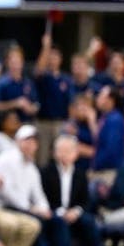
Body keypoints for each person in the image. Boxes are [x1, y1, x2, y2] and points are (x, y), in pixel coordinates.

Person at [0, 126, 75, 246]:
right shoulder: (6, 160)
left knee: (57, 222)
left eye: (34, 141)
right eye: (27, 140)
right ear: (18, 141)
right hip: (6, 207)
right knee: (36, 222)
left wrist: (44, 209)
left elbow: (39, 194)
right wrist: (31, 208)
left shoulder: (31, 167)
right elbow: (6, 192)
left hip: (27, 208)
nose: (30, 145)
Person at [42, 133, 105, 246]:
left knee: (89, 222)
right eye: (60, 150)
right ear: (54, 153)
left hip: (75, 212)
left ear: (76, 154)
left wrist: (76, 211)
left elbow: (86, 201)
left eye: (68, 151)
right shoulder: (46, 172)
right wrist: (61, 211)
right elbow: (42, 198)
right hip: (54, 213)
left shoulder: (80, 173)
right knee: (60, 224)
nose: (64, 155)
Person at [34, 37, 71, 165]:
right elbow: (39, 69)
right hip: (43, 122)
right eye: (50, 56)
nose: (52, 58)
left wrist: (70, 123)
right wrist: (45, 47)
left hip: (60, 123)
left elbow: (70, 103)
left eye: (55, 56)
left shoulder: (66, 79)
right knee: (42, 159)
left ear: (61, 59)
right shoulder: (43, 77)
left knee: (61, 157)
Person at [0, 45, 38, 124]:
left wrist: (31, 109)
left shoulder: (28, 83)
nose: (15, 65)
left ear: (22, 62)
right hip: (5, 126)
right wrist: (14, 104)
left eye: (18, 61)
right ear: (7, 63)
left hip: (26, 125)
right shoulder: (0, 83)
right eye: (12, 61)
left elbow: (36, 105)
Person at [90, 86, 124, 181]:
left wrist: (97, 165)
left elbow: (111, 149)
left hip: (108, 173)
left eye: (101, 96)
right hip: (103, 170)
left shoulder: (115, 120)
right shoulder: (105, 117)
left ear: (111, 100)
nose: (97, 99)